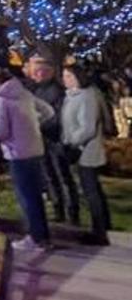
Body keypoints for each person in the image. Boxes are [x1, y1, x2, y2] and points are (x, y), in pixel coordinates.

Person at [0, 67, 54, 250]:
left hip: (17, 152)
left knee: (26, 197)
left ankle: (35, 238)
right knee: (35, 195)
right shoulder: (24, 93)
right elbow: (48, 111)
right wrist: (31, 125)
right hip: (34, 147)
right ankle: (43, 236)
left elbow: (0, 131)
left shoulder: (1, 100)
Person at [24, 53, 80, 226]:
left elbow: (57, 117)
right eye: (35, 70)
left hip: (56, 139)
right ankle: (58, 209)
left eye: (41, 70)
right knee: (49, 175)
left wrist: (38, 125)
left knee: (62, 176)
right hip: (43, 139)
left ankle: (72, 212)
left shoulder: (56, 91)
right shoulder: (35, 89)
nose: (37, 74)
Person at [61, 63, 112, 246]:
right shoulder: (72, 96)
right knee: (92, 189)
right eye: (64, 76)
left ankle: (99, 230)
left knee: (91, 191)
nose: (64, 80)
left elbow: (88, 127)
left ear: (77, 77)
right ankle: (103, 225)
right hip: (77, 149)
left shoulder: (87, 97)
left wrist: (73, 141)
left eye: (68, 76)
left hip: (86, 150)